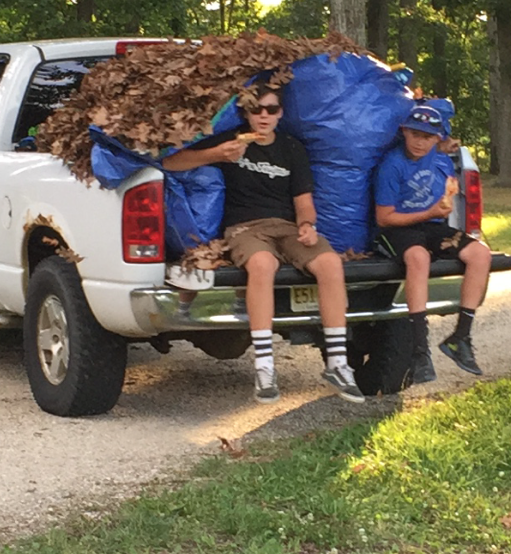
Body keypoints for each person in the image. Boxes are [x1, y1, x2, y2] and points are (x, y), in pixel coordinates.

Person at [163, 84, 365, 405]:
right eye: (257, 109)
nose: (264, 116)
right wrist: (217, 155)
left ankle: (338, 363)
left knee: (329, 263)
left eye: (272, 109)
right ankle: (265, 366)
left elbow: (304, 201)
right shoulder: (231, 140)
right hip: (244, 228)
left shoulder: (291, 149)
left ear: (281, 113)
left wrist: (307, 226)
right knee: (262, 265)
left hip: (287, 228)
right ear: (245, 111)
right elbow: (171, 163)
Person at [374, 104, 492, 383]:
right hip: (398, 228)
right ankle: (419, 351)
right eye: (414, 134)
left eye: (427, 136)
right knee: (418, 259)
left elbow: (448, 178)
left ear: (437, 138)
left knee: (480, 254)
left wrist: (450, 194)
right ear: (403, 132)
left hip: (433, 227)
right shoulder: (391, 165)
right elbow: (384, 218)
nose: (419, 141)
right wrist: (429, 212)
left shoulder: (439, 158)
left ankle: (460, 337)